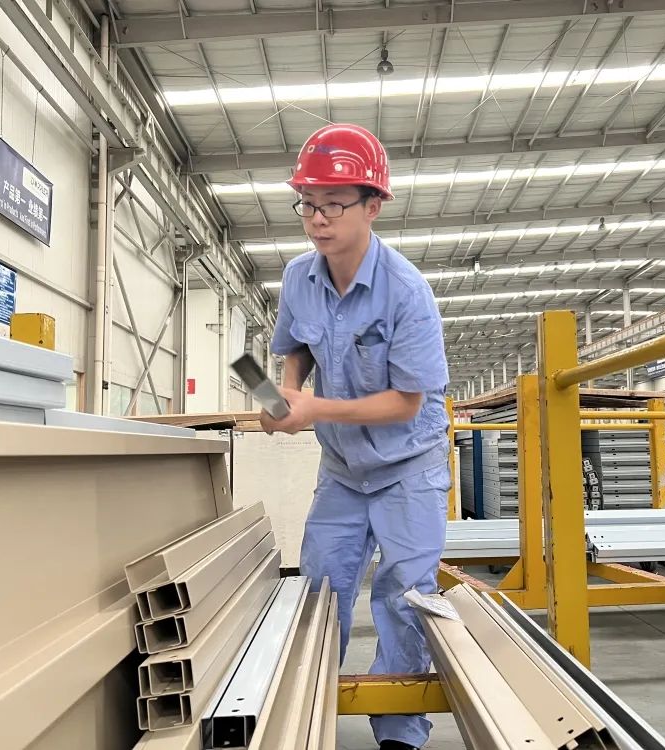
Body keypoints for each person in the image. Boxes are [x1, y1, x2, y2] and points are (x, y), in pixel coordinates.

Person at [259, 123, 449, 750]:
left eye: (335, 204)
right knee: (322, 587)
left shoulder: (407, 293)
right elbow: (295, 349)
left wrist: (314, 409)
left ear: (373, 206)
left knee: (405, 597)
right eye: (309, 203)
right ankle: (307, 715)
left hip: (408, 467)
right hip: (343, 472)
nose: (318, 219)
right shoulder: (298, 278)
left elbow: (406, 402)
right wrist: (285, 395)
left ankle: (399, 730)